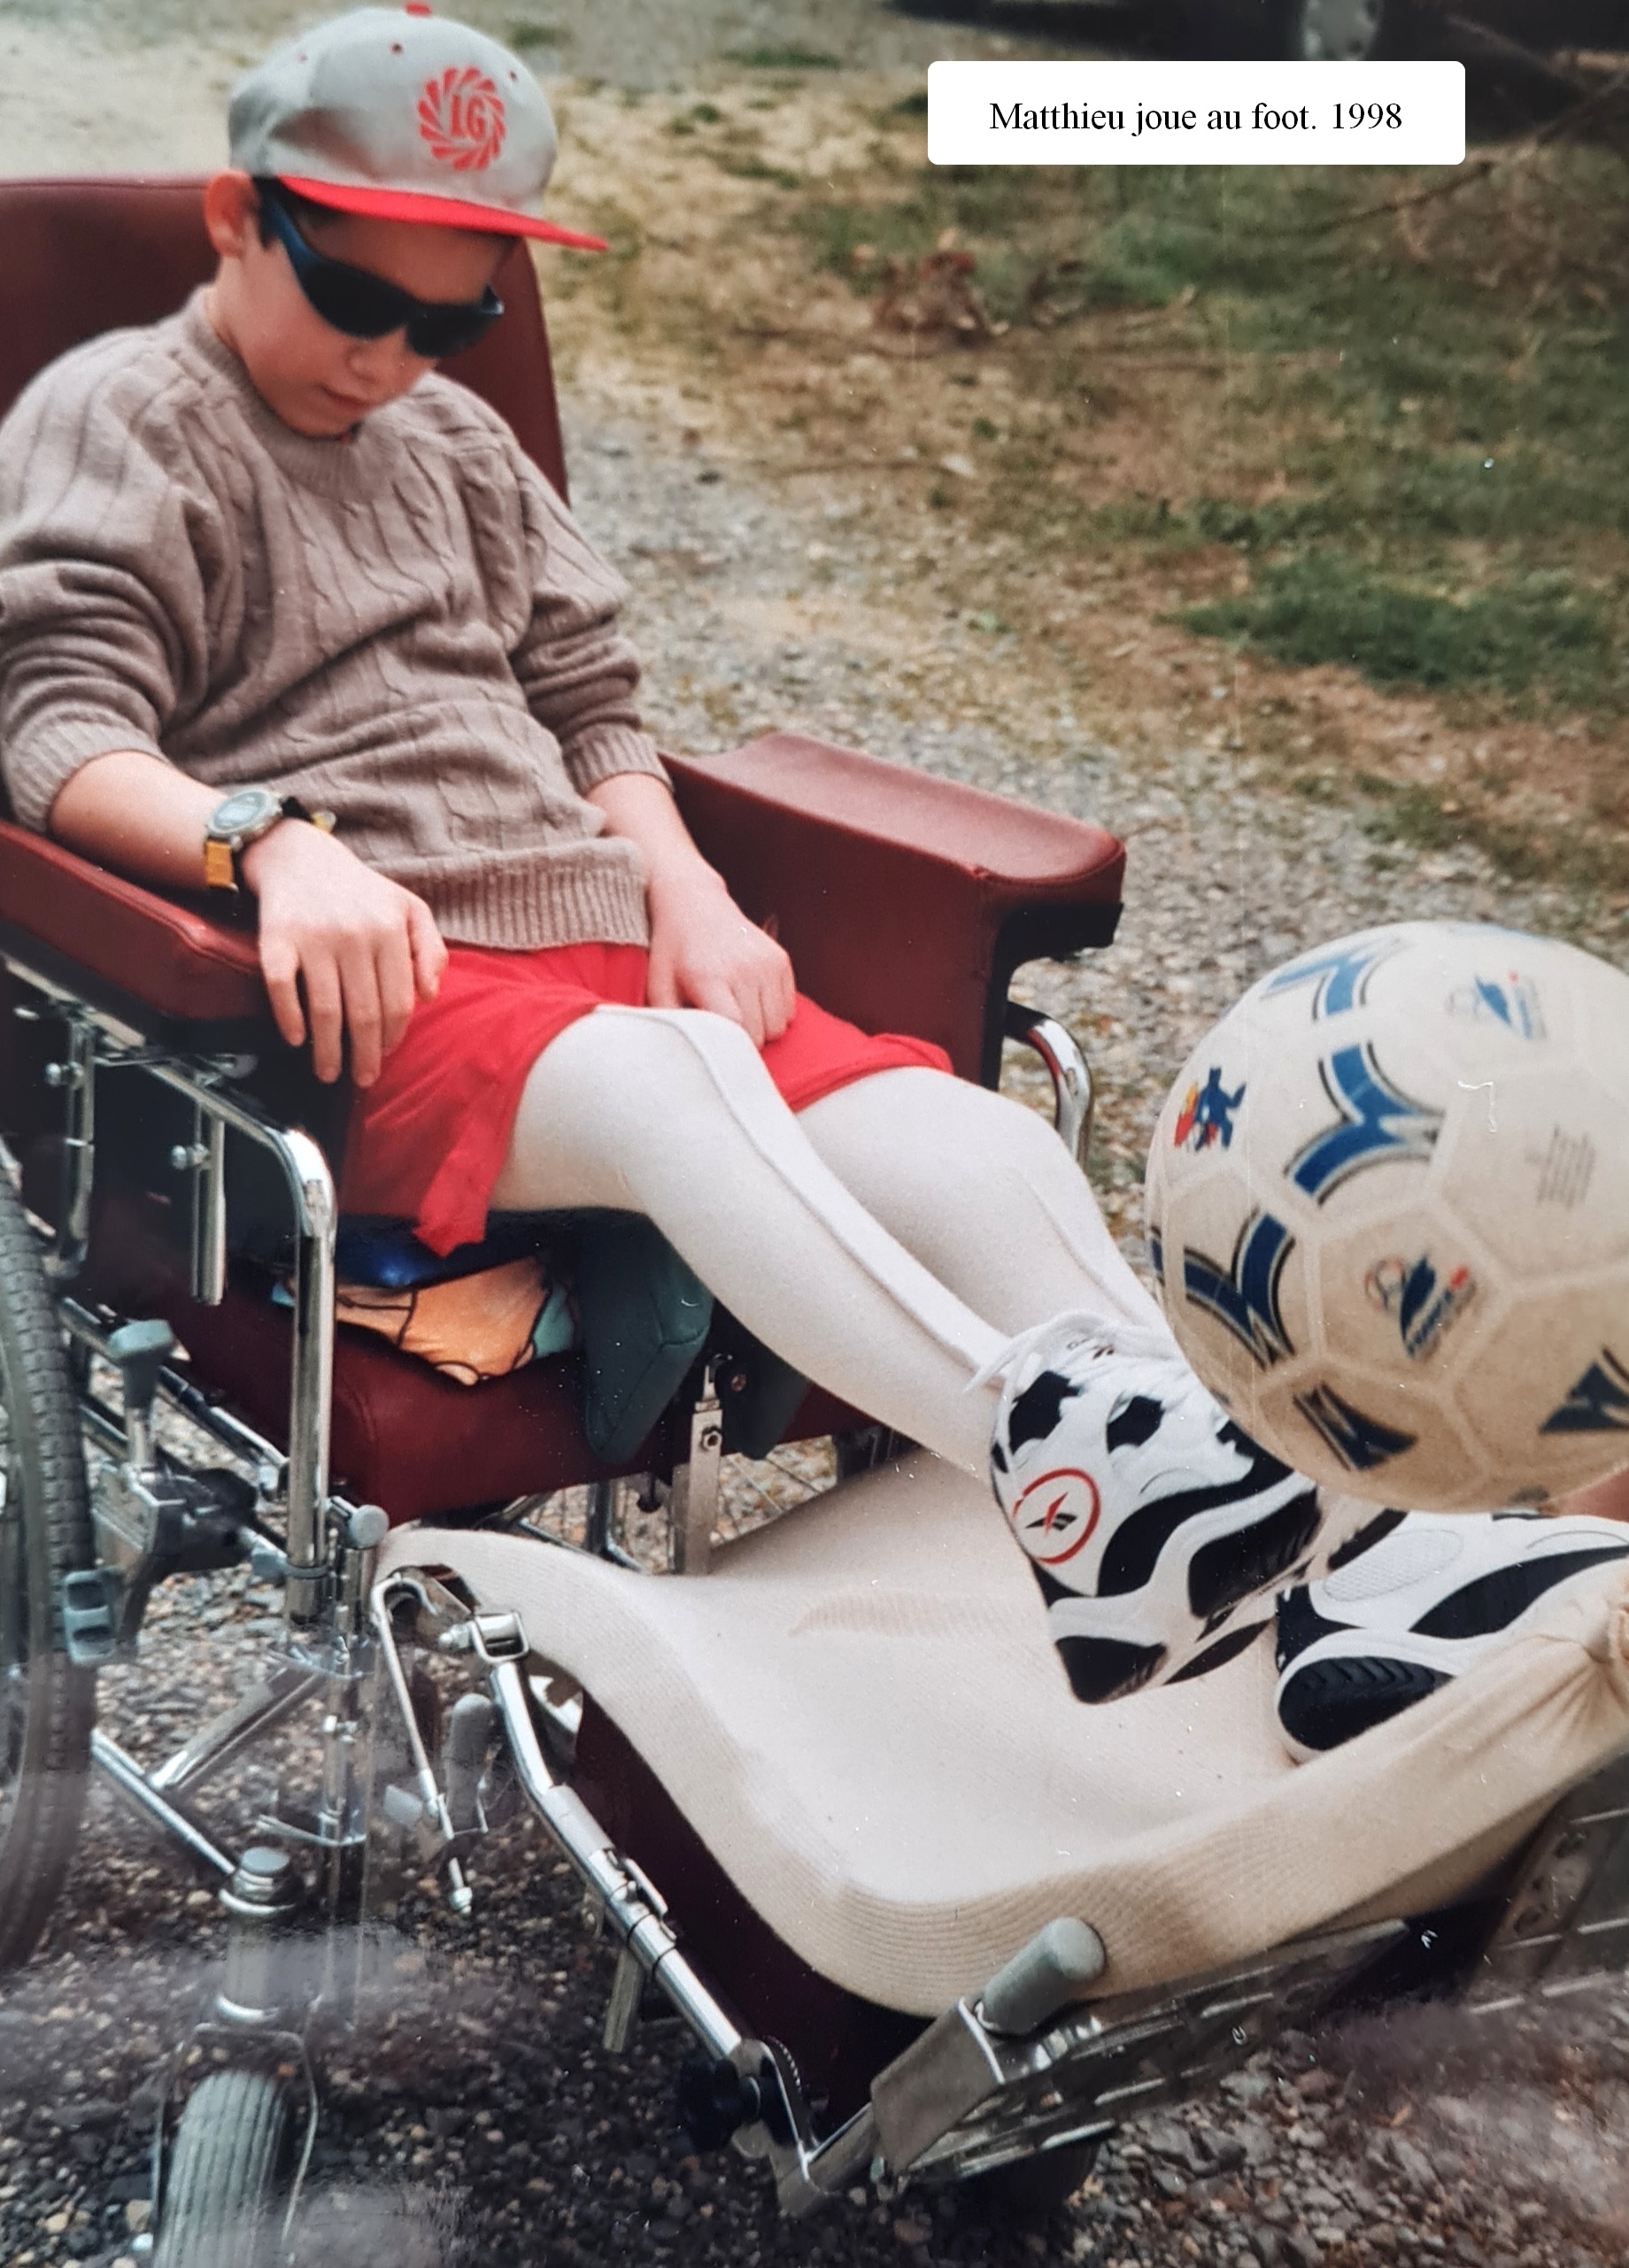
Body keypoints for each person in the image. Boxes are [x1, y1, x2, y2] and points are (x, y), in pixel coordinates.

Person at [1, 5, 1623, 1749]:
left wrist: (690, 897)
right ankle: (1061, 1476)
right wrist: (268, 840)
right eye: (355, 298)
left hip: (594, 962)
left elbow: (591, 708)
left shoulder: (455, 443)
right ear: (239, 218)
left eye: (454, 315)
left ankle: (1349, 1558)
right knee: (680, 1075)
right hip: (354, 995)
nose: (395, 355)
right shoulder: (126, 417)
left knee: (970, 1144)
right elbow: (51, 727)